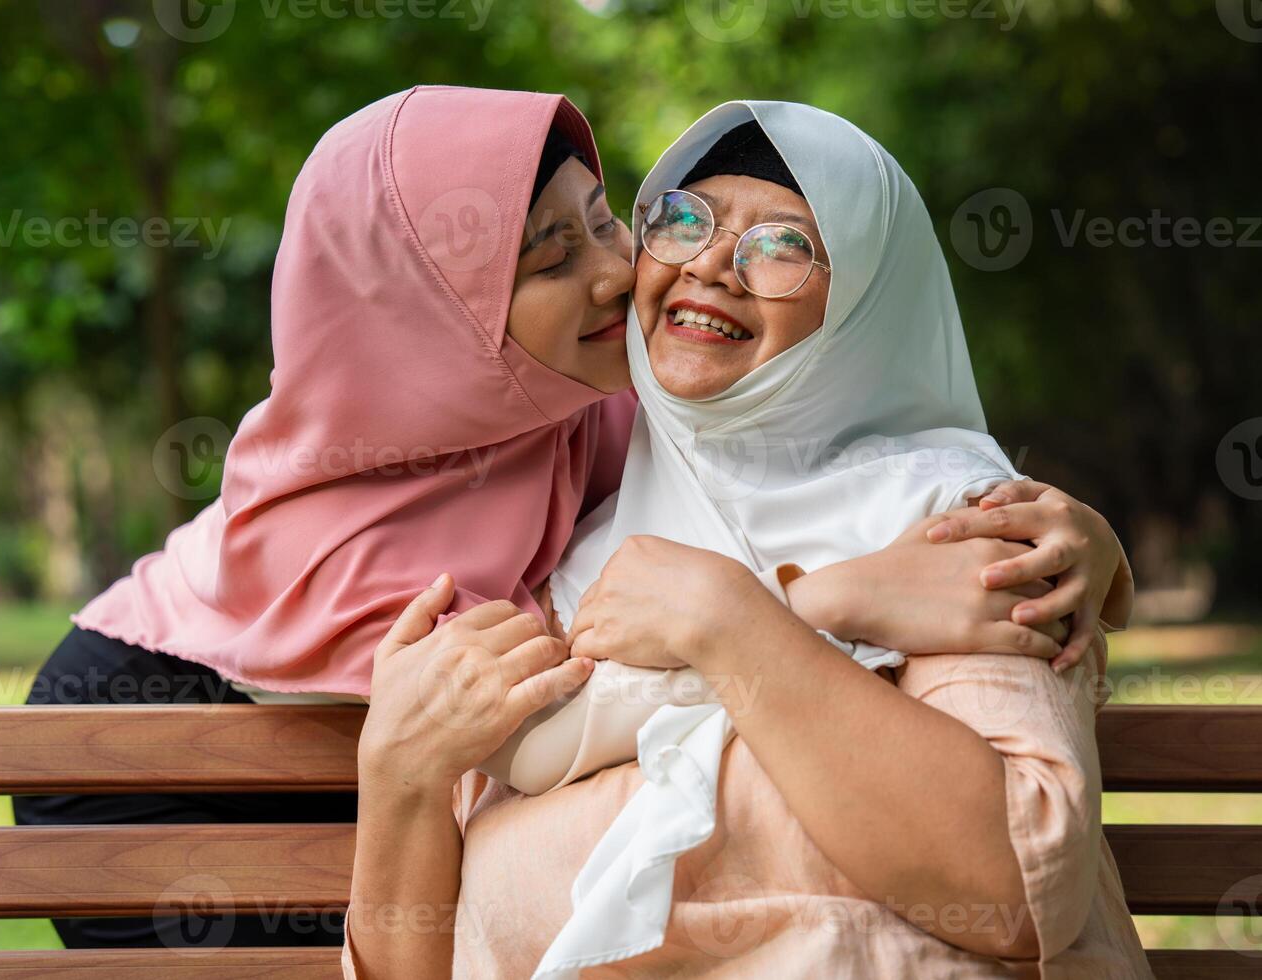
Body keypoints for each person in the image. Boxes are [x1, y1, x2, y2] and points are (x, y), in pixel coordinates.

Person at [13, 86, 1129, 954]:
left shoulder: (605, 423)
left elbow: (823, 420)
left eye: (607, 222)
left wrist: (1082, 542)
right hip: (146, 733)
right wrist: (822, 599)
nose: (620, 274)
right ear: (436, 321)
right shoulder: (348, 523)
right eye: (552, 255)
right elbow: (545, 707)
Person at [345, 102, 1151, 978]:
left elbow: (1015, 889)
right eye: (684, 220)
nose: (714, 266)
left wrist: (730, 619)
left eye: (783, 245)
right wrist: (399, 781)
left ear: (867, 306)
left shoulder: (956, 526)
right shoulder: (560, 572)